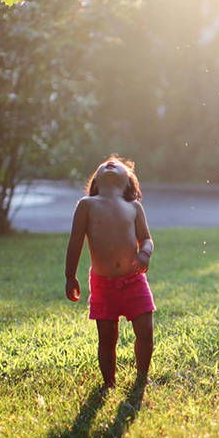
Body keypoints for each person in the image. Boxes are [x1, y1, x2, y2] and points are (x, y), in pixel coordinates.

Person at [65, 157, 155, 389]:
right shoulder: (87, 205)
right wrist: (70, 276)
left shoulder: (134, 207)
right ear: (95, 182)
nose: (111, 162)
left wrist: (145, 252)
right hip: (103, 286)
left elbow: (146, 239)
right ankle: (109, 383)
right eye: (105, 164)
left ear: (129, 182)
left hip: (135, 282)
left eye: (117, 164)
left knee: (145, 332)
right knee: (107, 338)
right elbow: (75, 242)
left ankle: (142, 376)